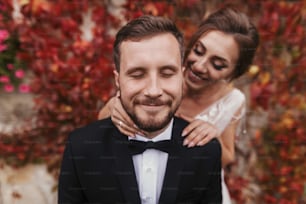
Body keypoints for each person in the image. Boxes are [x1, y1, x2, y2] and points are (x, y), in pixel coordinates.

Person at [98, 7, 259, 204]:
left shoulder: (233, 101)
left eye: (217, 64)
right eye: (198, 51)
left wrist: (212, 136)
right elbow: (101, 128)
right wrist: (114, 105)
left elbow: (227, 156)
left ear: (234, 73)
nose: (199, 66)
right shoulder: (162, 78)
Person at [58, 15, 222, 203]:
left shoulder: (206, 151)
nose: (153, 90)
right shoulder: (80, 147)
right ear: (118, 80)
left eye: (167, 74)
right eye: (137, 74)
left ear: (181, 77)